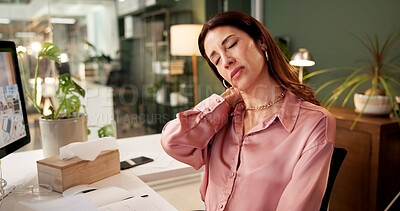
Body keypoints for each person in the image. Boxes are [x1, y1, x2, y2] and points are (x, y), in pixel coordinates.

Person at [161, 11, 336, 211]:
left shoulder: (313, 123)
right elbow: (172, 142)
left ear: (261, 42)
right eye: (216, 60)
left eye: (232, 45)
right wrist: (227, 100)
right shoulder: (220, 117)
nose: (226, 61)